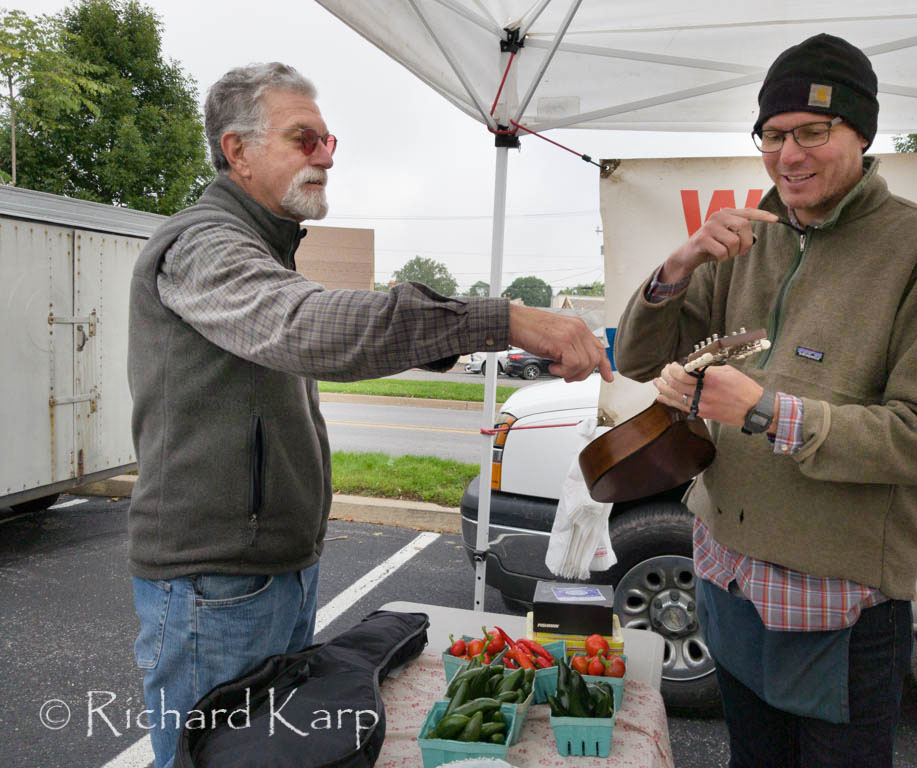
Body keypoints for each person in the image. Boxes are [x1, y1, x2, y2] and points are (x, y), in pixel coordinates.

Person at [127, 61, 611, 768]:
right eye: (304, 139)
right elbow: (313, 328)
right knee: (216, 757)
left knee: (272, 754)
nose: (325, 155)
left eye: (330, 141)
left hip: (271, 572)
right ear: (237, 151)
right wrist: (500, 320)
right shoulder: (202, 246)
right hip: (216, 585)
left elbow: (332, 326)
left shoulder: (265, 248)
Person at [614, 34, 917, 768]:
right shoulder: (745, 242)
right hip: (726, 572)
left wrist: (762, 410)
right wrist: (678, 265)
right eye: (774, 135)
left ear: (863, 134)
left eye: (815, 132)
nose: (790, 155)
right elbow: (637, 358)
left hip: (837, 602)